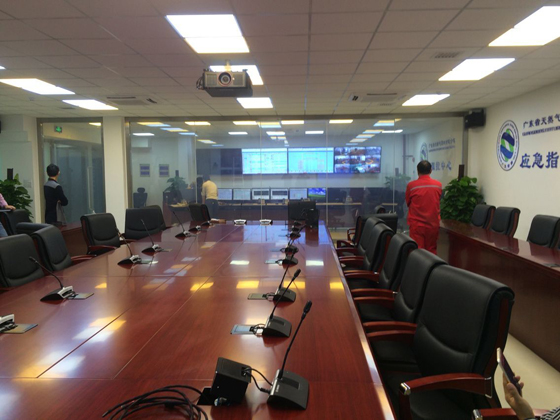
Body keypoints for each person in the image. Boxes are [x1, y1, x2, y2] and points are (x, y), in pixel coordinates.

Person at [405, 160, 442, 254]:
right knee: (431, 251)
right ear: (431, 170)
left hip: (417, 225)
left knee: (418, 252)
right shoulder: (438, 185)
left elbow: (408, 203)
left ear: (418, 171)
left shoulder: (411, 186)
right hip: (433, 225)